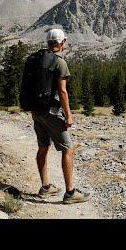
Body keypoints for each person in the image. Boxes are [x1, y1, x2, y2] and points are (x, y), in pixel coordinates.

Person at [28, 28, 90, 204]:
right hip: (51, 112)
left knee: (43, 146)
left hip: (36, 111)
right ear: (63, 43)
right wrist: (69, 115)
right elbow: (62, 91)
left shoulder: (37, 59)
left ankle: (45, 187)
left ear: (48, 43)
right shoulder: (59, 62)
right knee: (67, 148)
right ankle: (70, 193)